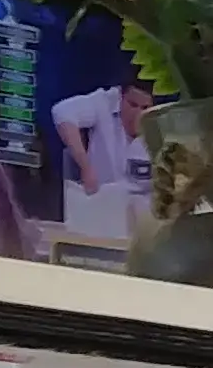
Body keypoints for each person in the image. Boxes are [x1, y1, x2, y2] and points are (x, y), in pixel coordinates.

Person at [53, 79, 152, 248]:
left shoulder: (164, 120)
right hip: (100, 220)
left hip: (142, 229)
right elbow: (62, 112)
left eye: (145, 109)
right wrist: (86, 167)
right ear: (121, 97)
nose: (138, 114)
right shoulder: (104, 102)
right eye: (132, 105)